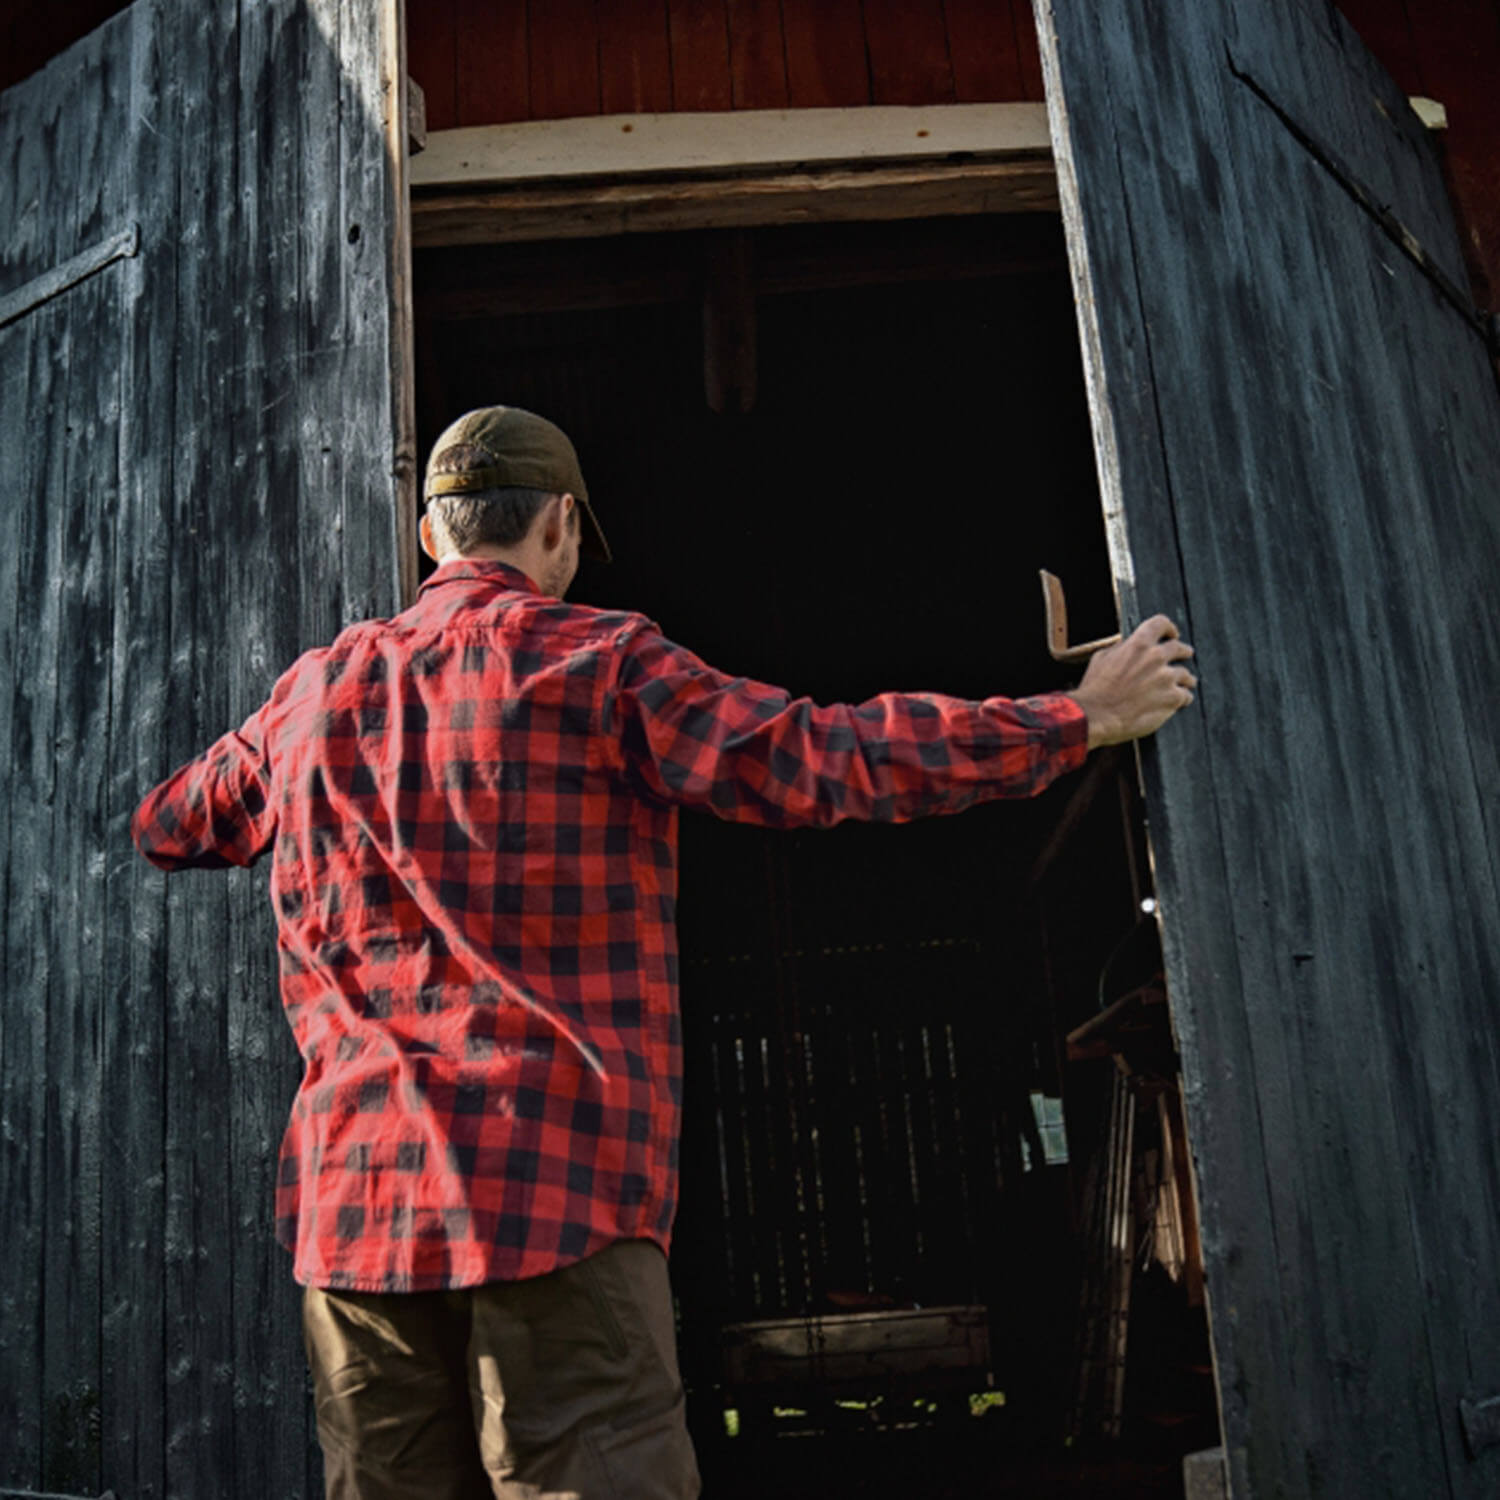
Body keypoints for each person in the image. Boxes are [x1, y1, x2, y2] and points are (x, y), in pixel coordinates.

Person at [132, 405, 1196, 1500]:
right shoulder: (602, 664)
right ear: (561, 528)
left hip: (359, 1221)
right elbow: (824, 759)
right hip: (555, 1199)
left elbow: (172, 824)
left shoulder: (310, 695)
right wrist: (1073, 719)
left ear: (428, 539)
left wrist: (316, 772)